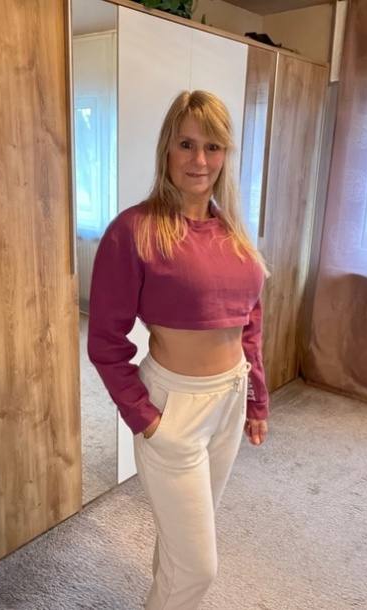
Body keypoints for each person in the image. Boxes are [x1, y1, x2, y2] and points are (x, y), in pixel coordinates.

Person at [87, 90, 270, 610]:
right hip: (173, 408)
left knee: (181, 542)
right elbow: (105, 342)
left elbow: (250, 324)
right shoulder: (133, 231)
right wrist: (145, 419)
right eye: (186, 144)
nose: (199, 160)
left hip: (230, 398)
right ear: (167, 148)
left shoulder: (234, 232)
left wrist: (256, 400)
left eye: (213, 146)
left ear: (226, 154)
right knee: (198, 567)